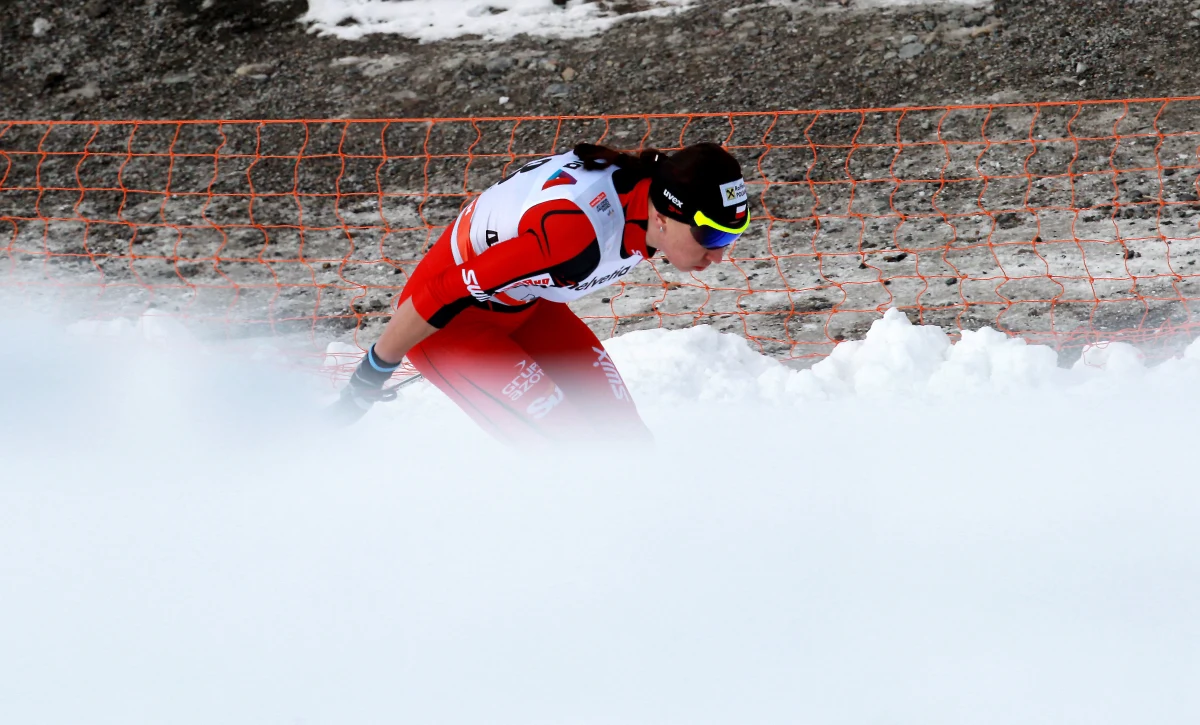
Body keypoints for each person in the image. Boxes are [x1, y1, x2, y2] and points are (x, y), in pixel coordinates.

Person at [331, 141, 751, 443]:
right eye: (711, 237)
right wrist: (368, 377)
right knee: (566, 449)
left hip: (525, 305)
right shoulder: (574, 237)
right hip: (448, 325)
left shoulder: (650, 197)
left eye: (732, 237)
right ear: (664, 216)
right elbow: (439, 293)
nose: (718, 256)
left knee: (628, 439)